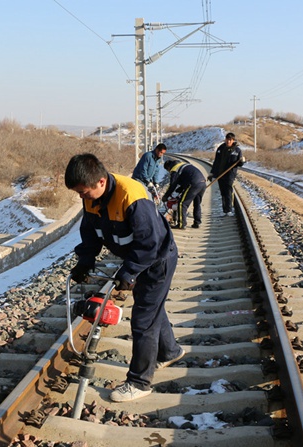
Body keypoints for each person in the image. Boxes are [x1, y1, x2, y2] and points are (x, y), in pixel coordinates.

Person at [65, 153, 185, 403]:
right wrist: (85, 262)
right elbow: (90, 234)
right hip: (138, 257)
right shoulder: (92, 199)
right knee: (151, 306)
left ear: (100, 181)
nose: (82, 198)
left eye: (84, 192)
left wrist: (129, 272)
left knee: (143, 319)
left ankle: (139, 382)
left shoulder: (131, 196)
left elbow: (150, 243)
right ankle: (170, 351)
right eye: (79, 194)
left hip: (157, 259)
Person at [208, 132, 245, 216]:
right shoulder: (221, 148)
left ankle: (229, 210)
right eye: (227, 139)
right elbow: (216, 161)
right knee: (223, 192)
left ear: (233, 140)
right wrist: (212, 173)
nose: (228, 141)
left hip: (230, 175)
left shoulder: (237, 150)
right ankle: (225, 210)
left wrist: (242, 161)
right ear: (225, 139)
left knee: (228, 191)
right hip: (220, 174)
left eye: (230, 140)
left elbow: (239, 164)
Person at [162, 159, 207, 229]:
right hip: (202, 183)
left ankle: (181, 224)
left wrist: (166, 196)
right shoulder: (183, 165)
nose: (169, 172)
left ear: (168, 167)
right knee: (197, 203)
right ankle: (197, 222)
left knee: (182, 203)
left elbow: (172, 185)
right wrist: (181, 188)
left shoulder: (175, 169)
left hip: (193, 184)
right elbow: (186, 177)